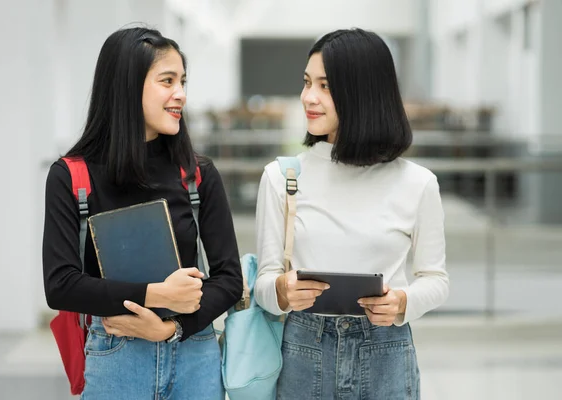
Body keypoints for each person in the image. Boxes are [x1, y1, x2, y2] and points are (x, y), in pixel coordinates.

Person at [42, 27, 242, 400]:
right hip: (116, 357)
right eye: (167, 81)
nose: (180, 93)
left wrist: (171, 327)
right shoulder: (72, 176)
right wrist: (155, 294)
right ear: (127, 87)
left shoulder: (198, 175)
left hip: (194, 356)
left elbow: (230, 279)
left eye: (183, 81)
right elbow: (60, 285)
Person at [255, 28, 449, 400]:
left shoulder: (417, 183)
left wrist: (403, 302)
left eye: (326, 86)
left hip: (386, 353)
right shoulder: (281, 177)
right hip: (302, 351)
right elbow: (265, 281)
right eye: (307, 82)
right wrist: (281, 291)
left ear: (363, 92)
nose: (308, 97)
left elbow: (435, 279)